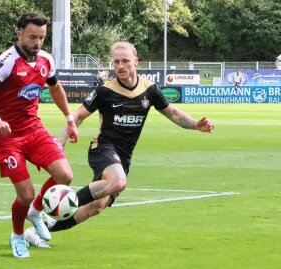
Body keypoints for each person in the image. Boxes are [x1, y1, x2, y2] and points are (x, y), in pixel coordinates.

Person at [24, 41, 214, 247]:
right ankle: (60, 203)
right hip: (103, 148)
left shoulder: (149, 90)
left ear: (136, 62)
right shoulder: (105, 90)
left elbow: (174, 114)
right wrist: (60, 142)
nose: (121, 66)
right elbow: (78, 115)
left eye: (125, 61)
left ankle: (36, 231)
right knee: (118, 182)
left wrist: (196, 125)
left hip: (124, 156)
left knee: (96, 207)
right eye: (116, 62)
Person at [0, 12, 78, 258]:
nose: (37, 43)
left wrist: (70, 119)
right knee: (26, 193)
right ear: (19, 33)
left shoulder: (46, 60)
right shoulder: (6, 61)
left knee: (65, 175)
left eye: (41, 38)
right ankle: (18, 236)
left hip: (33, 129)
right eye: (32, 37)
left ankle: (35, 211)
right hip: (7, 137)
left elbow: (55, 88)